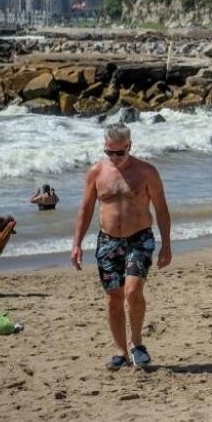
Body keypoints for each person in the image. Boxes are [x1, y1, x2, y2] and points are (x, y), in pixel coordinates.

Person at [72, 123, 172, 370]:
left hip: (140, 238)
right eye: (109, 152)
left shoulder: (147, 172)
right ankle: (121, 351)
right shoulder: (97, 172)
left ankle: (137, 344)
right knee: (113, 297)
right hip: (108, 241)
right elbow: (85, 210)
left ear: (130, 146)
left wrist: (166, 244)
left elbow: (161, 209)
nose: (114, 157)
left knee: (132, 291)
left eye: (120, 152)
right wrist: (76, 244)